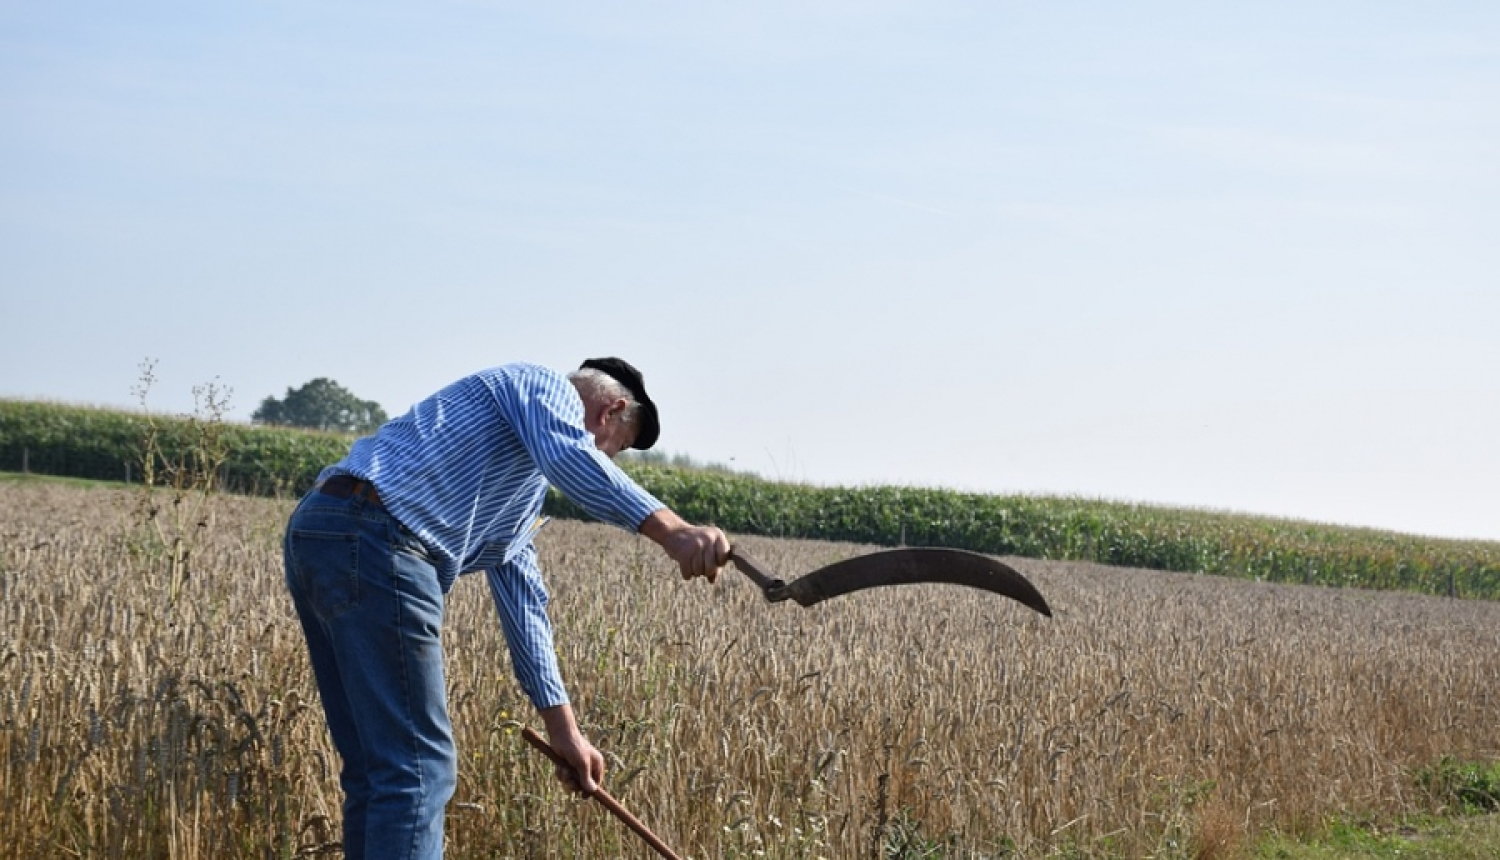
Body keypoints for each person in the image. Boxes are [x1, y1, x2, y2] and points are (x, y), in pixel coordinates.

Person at [282, 358, 729, 860]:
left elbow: (525, 606)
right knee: (417, 770)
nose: (606, 457)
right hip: (380, 537)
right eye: (616, 449)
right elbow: (575, 459)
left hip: (323, 531)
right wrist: (673, 530)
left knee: (376, 767)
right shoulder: (539, 385)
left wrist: (566, 733)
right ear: (611, 411)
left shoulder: (517, 494)